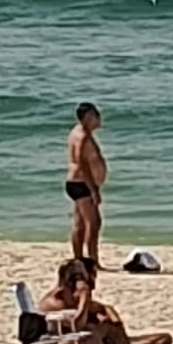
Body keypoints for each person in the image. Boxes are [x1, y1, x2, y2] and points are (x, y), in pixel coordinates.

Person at [39, 259, 173, 344]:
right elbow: (77, 325)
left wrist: (109, 315)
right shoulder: (55, 302)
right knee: (101, 332)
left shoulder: (70, 296)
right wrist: (85, 297)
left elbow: (102, 309)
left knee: (164, 338)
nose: (91, 281)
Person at [65, 102, 107, 273]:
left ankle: (78, 259)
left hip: (75, 183)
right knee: (94, 223)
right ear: (89, 117)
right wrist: (94, 190)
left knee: (80, 223)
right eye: (96, 115)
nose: (99, 118)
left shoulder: (77, 132)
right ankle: (92, 261)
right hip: (82, 184)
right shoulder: (83, 136)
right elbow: (82, 164)